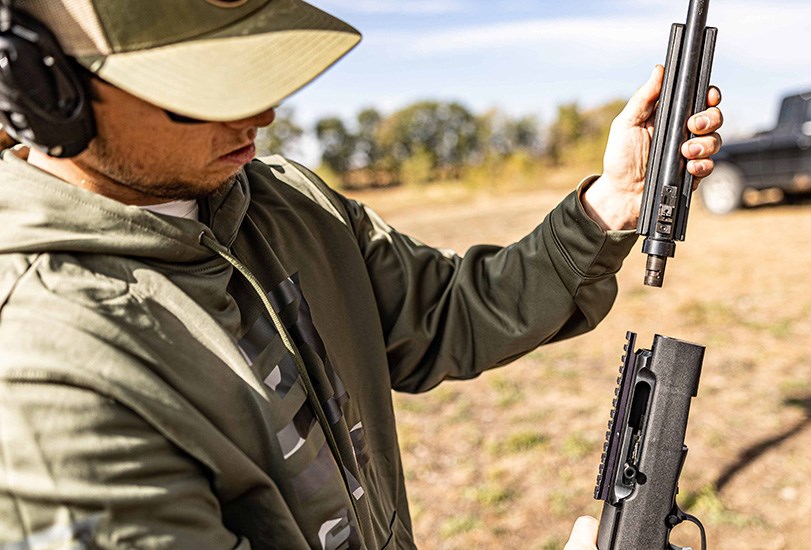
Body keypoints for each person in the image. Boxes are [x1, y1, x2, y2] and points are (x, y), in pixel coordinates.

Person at [0, 1, 723, 549]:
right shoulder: (48, 376)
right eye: (204, 89)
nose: (263, 111)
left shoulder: (282, 202)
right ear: (43, 90)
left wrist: (608, 208)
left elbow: (447, 314)